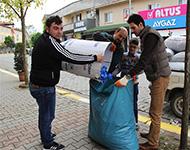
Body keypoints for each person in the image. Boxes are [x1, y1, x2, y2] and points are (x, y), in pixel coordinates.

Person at [29, 15, 103, 150]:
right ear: (48, 29)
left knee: (45, 114)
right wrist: (94, 57)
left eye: (61, 28)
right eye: (55, 28)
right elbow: (70, 57)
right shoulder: (50, 42)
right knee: (47, 115)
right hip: (43, 88)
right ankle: (48, 143)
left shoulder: (45, 40)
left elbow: (54, 59)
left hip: (38, 85)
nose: (59, 31)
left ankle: (46, 135)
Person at [117, 14, 171, 150]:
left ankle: (153, 143)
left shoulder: (150, 36)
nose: (132, 31)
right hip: (156, 76)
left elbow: (144, 60)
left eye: (133, 28)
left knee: (155, 112)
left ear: (141, 25)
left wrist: (127, 77)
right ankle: (152, 134)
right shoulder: (145, 36)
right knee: (153, 109)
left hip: (160, 76)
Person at [113, 38, 140, 127]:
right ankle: (123, 119)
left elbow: (142, 69)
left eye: (134, 47)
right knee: (122, 102)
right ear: (128, 46)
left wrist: (136, 74)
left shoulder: (138, 58)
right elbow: (119, 68)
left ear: (137, 47)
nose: (132, 49)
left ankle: (135, 122)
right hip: (123, 83)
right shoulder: (123, 56)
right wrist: (112, 75)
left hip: (134, 84)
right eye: (131, 46)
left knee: (134, 102)